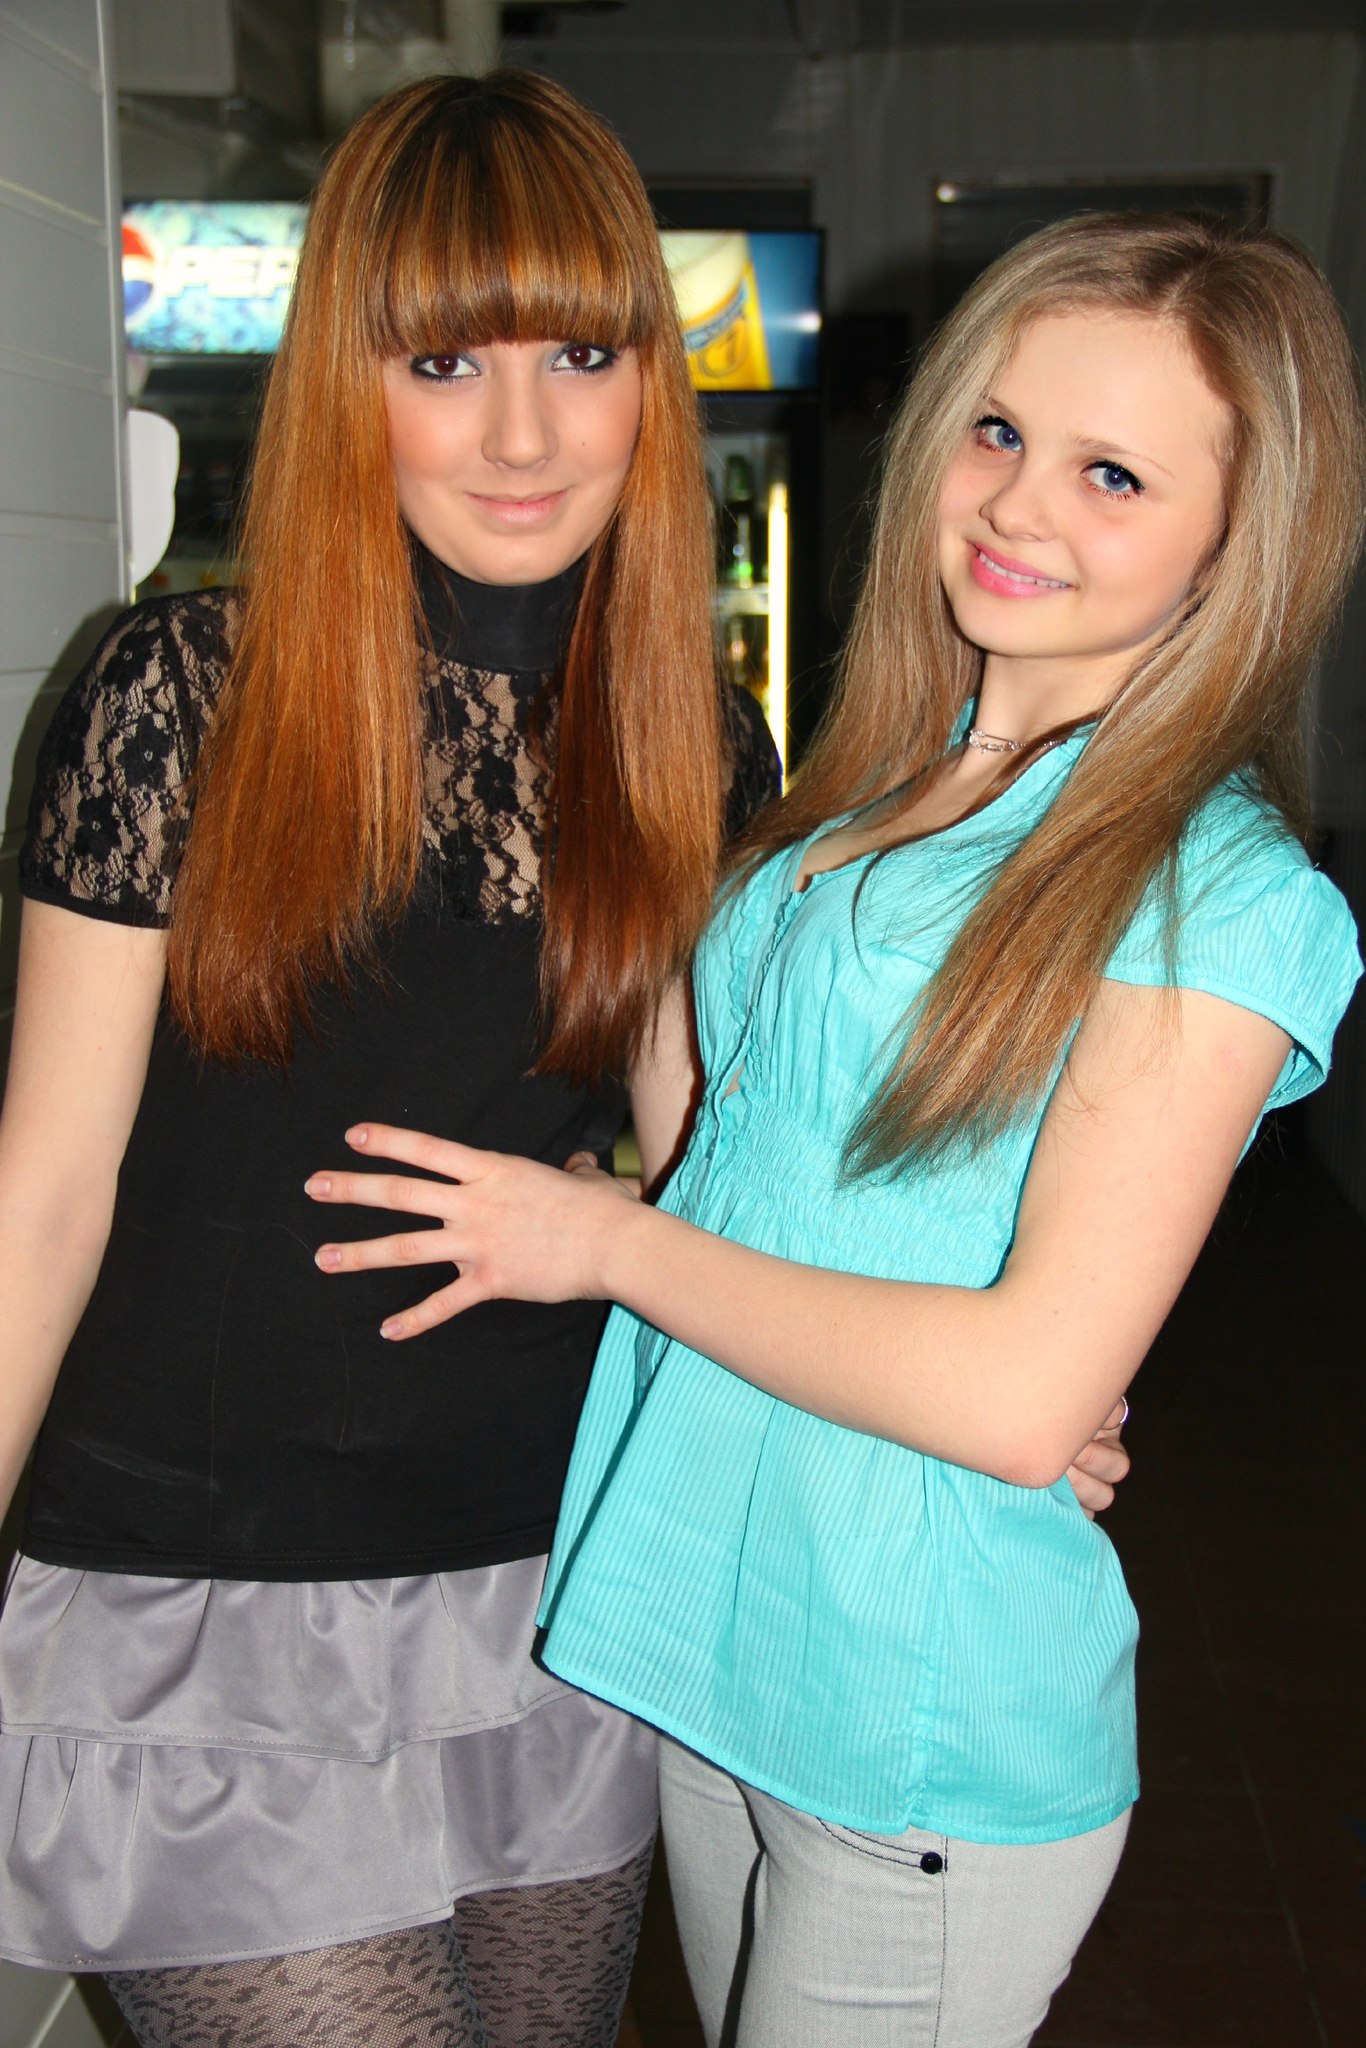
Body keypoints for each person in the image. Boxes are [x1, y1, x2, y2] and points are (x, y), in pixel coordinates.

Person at [305, 213, 1364, 2047]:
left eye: (1112, 474)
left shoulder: (1215, 890)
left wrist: (608, 1245)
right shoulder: (888, 778)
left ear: (1236, 540)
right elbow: (760, 1153)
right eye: (996, 432)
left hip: (912, 1708)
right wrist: (633, 1173)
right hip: (720, 1636)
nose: (1016, 505)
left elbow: (1017, 1397)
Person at [0, 69, 788, 2048]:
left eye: (579, 355)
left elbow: (708, 1188)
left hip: (553, 1589)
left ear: (650, 377)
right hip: (207, 1613)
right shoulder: (176, 696)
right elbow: (46, 1194)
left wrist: (969, 1381)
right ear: (348, 384)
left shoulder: (692, 738)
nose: (521, 434)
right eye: (443, 362)